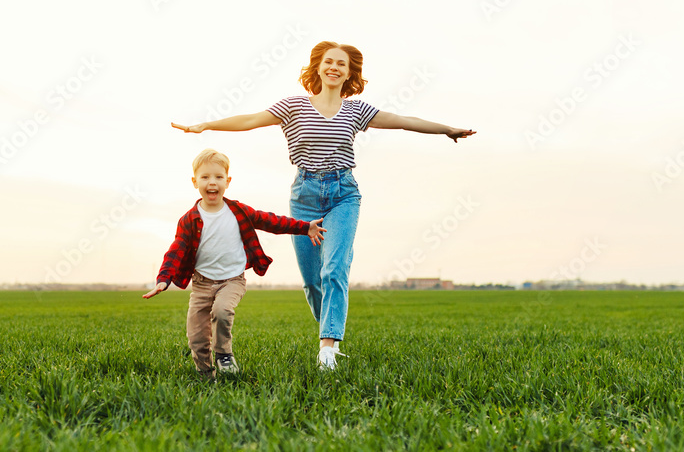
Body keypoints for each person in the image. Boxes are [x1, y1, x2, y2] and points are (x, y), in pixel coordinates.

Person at [171, 41, 474, 369]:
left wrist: (446, 130)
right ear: (317, 67)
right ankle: (329, 323)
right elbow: (250, 120)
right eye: (328, 62)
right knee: (313, 281)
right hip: (305, 197)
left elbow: (402, 120)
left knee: (334, 269)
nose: (334, 67)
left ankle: (328, 348)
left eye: (341, 64)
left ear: (349, 73)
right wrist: (206, 125)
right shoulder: (293, 106)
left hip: (344, 194)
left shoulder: (357, 110)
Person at [144, 148, 326, 380]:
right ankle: (205, 376)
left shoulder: (238, 211)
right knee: (197, 337)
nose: (212, 182)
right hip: (201, 285)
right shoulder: (189, 219)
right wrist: (163, 279)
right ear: (194, 182)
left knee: (222, 311)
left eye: (219, 177)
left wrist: (304, 227)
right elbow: (176, 249)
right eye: (205, 177)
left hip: (232, 280)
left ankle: (223, 354)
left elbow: (271, 221)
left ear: (227, 181)